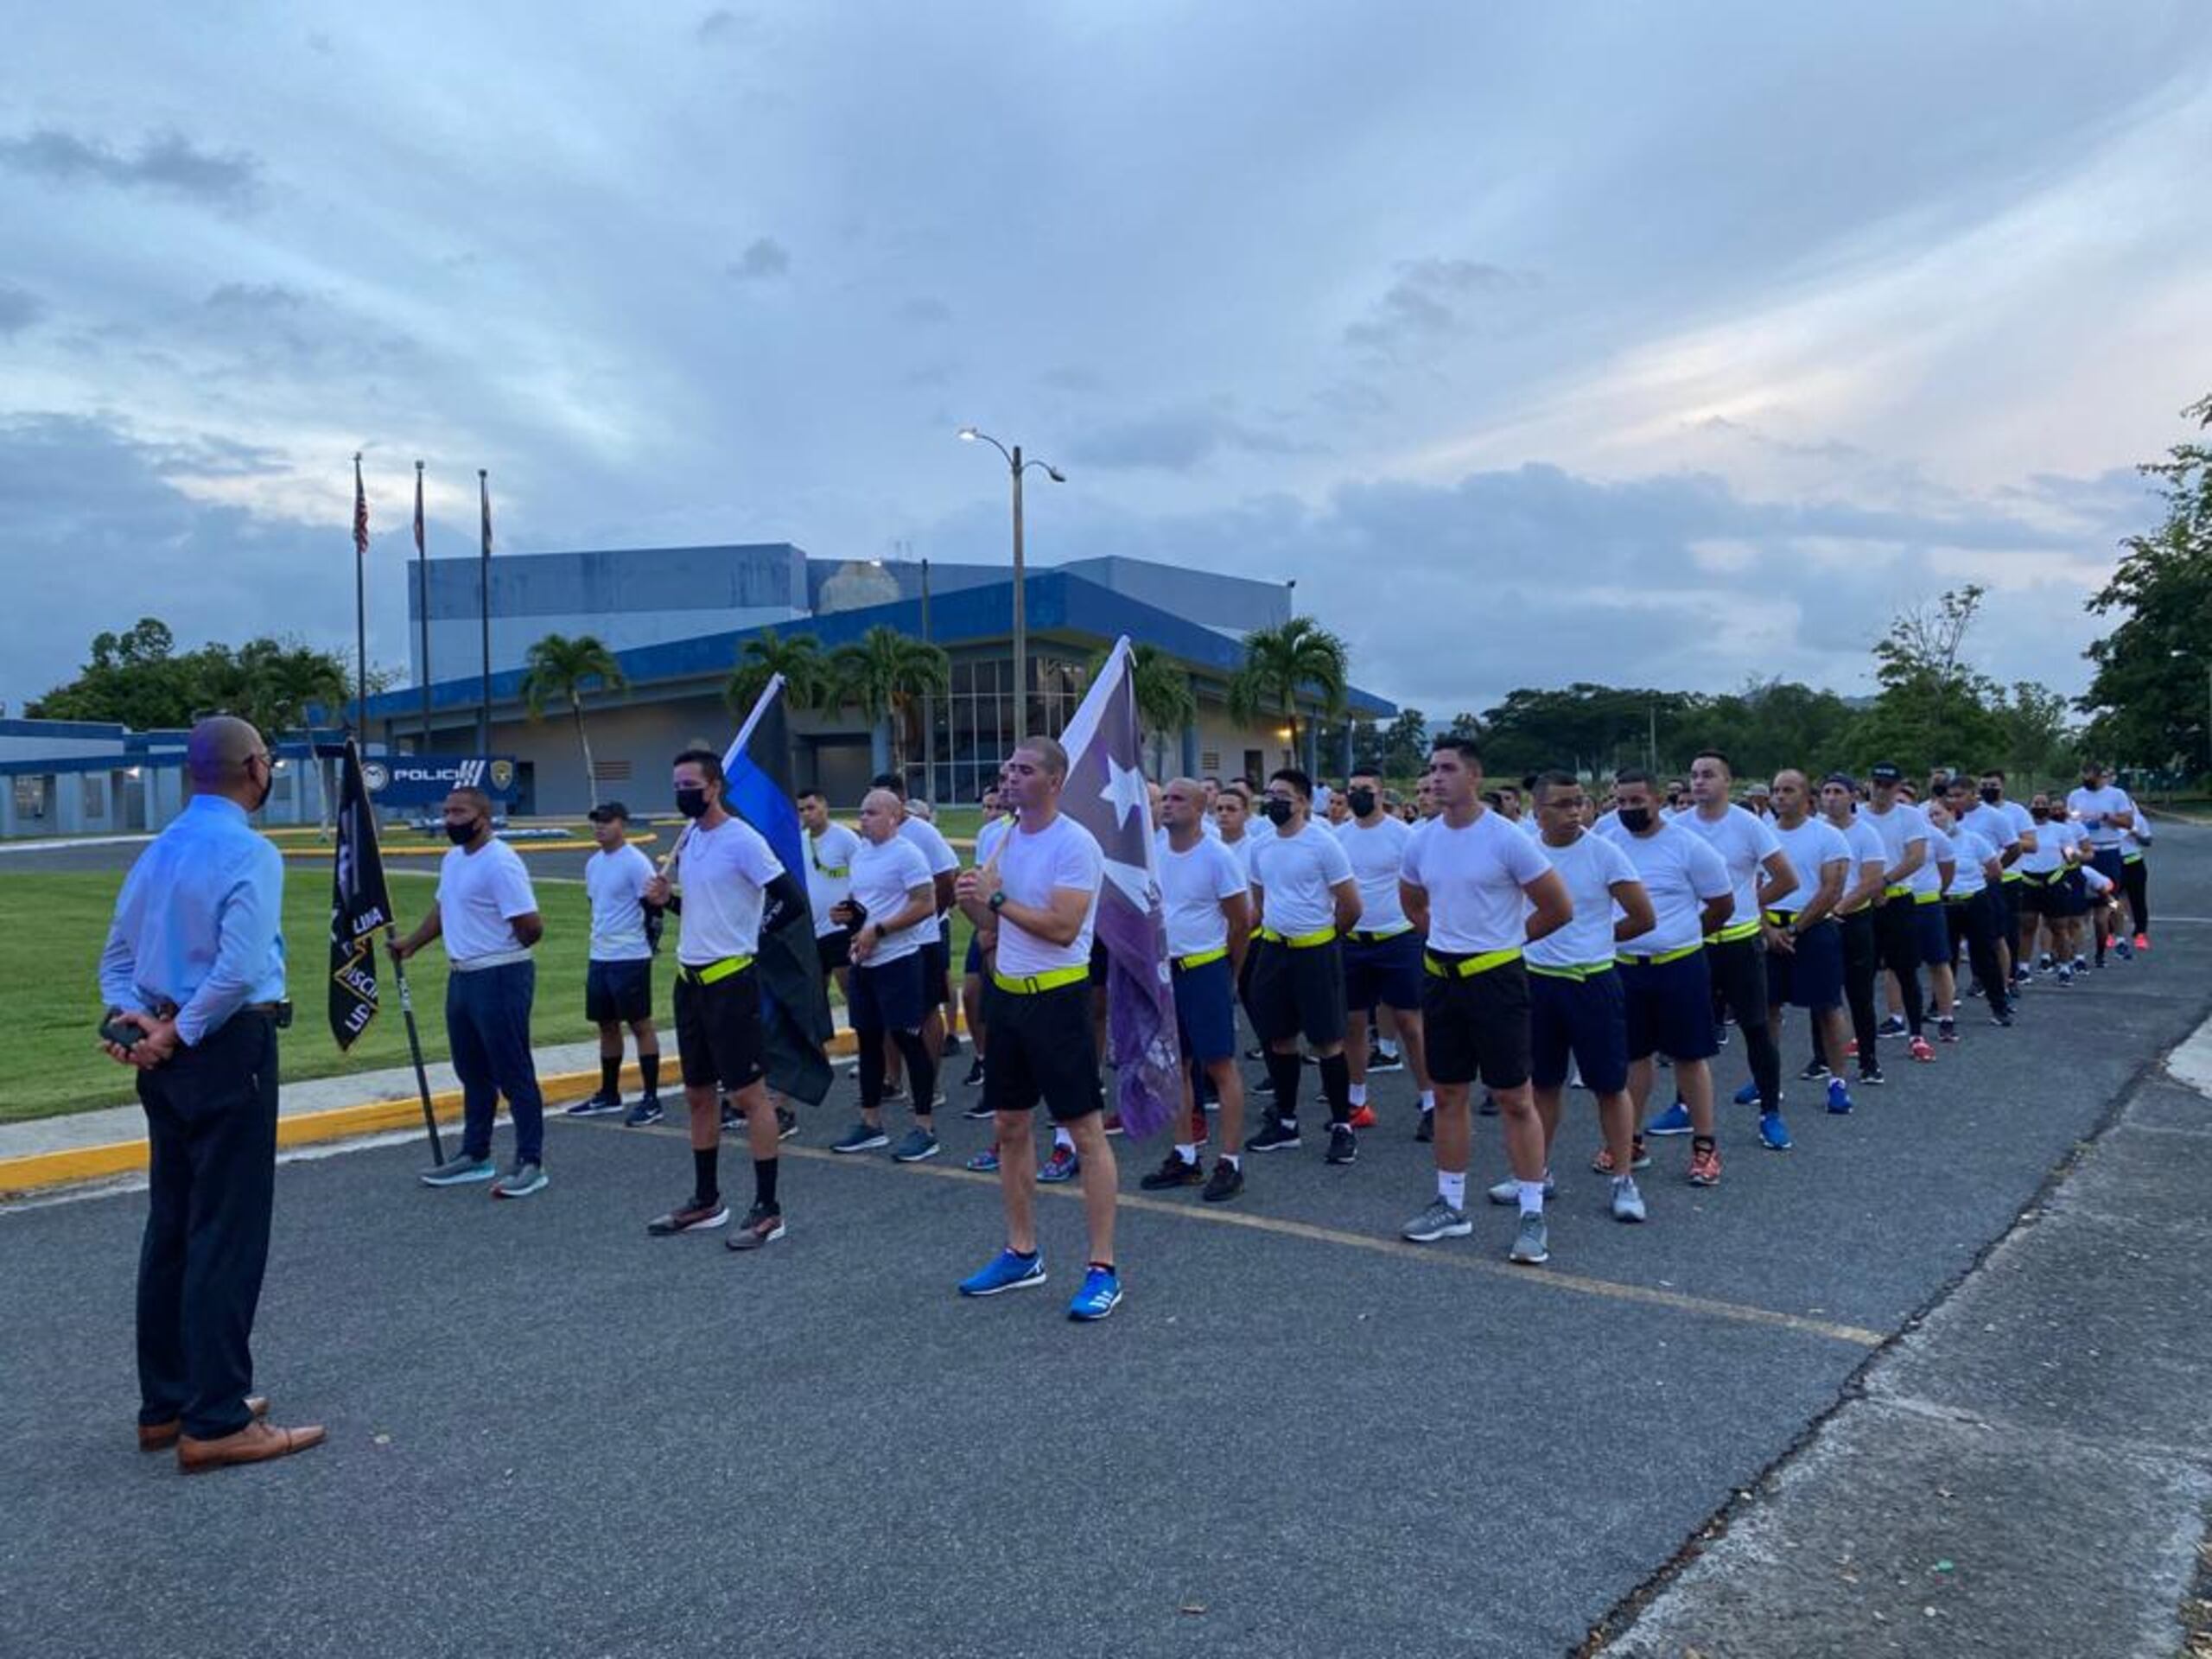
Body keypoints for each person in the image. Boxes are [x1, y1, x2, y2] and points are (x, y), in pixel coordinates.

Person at [97, 715, 323, 1472]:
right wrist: (181, 1031)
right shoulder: (250, 852)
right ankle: (218, 1417)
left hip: (166, 1056)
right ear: (255, 768)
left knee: (173, 1225)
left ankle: (169, 1400)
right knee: (226, 1231)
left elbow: (117, 959)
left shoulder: (157, 852)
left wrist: (140, 1022)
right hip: (225, 1048)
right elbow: (237, 967)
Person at [953, 737, 1123, 1321]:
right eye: (1009, 768)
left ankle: (1103, 1267)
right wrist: (970, 902)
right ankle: (1021, 1251)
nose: (1010, 777)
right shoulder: (998, 836)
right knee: (1009, 1123)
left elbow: (1060, 926)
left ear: (1054, 781)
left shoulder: (1075, 843)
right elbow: (988, 922)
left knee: (1084, 1131)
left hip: (1058, 1000)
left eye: (1024, 770)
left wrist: (994, 898)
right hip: (1009, 999)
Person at [1397, 738, 1572, 1262]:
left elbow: (1557, 907)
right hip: (1441, 978)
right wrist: (1446, 936)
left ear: (1474, 776)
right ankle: (1451, 1206)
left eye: (1447, 769)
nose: (1435, 779)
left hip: (1497, 980)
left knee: (1516, 1097)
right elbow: (1412, 901)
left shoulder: (1506, 839)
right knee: (1447, 1093)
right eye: (1431, 770)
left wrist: (1502, 942)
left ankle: (1532, 1213)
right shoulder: (1421, 840)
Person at [639, 748, 804, 1249]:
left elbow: (790, 900)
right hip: (690, 981)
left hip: (732, 981)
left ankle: (768, 1210)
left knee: (749, 1096)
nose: (682, 792)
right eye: (677, 784)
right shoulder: (690, 839)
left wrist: (754, 933)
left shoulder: (742, 840)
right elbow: (702, 910)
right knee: (696, 1094)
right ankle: (707, 1199)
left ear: (714, 787)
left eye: (690, 784)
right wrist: (665, 901)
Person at [1501, 771, 1653, 1224]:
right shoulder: (1525, 853)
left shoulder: (1604, 853)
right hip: (1537, 981)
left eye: (1580, 802)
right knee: (1542, 1084)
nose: (1574, 813)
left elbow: (1643, 917)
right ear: (1537, 811)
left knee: (1609, 1084)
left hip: (1593, 982)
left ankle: (1623, 1178)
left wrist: (1596, 941)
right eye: (1562, 805)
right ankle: (1536, 1174)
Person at [397, 787, 549, 1197]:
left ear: (482, 816)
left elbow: (531, 926)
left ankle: (530, 1160)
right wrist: (411, 944)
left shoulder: (500, 863)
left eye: (458, 812)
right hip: (462, 976)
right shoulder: (453, 860)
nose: (449, 819)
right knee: (473, 1071)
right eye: (445, 812)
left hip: (500, 974)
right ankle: (475, 1154)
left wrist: (500, 947)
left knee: (512, 1070)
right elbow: (445, 909)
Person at [1595, 770, 1734, 1186]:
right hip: (1624, 965)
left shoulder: (1689, 846)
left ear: (1657, 799)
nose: (1629, 810)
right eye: (1620, 802)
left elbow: (1721, 904)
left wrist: (1684, 935)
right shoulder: (1608, 843)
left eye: (1637, 801)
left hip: (1680, 964)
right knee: (1633, 1058)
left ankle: (1705, 1147)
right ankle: (1630, 1142)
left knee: (1690, 1057)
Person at [1672, 751, 1798, 1150]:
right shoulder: (1677, 827)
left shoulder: (1748, 826)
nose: (1699, 782)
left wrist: (1748, 901)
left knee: (1756, 1028)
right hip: (1695, 943)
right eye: (1694, 775)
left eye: (1708, 775)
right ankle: (1683, 1107)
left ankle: (1770, 1113)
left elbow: (1787, 878)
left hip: (1741, 943)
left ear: (1728, 781)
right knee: (1690, 1032)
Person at [1245, 767, 1364, 1163]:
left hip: (1316, 950)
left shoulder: (1323, 844)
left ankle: (1342, 1125)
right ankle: (1287, 1121)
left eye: (1283, 795)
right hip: (1274, 950)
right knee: (1278, 1038)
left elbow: (1350, 905)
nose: (1274, 801)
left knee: (1328, 1041)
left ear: (1303, 802)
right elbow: (1260, 902)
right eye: (1269, 793)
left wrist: (1327, 938)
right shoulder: (1260, 845)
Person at [1141, 777, 1252, 1200]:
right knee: (1177, 1066)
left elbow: (1241, 921)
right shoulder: (1156, 853)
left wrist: (1230, 971)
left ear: (1201, 806)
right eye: (1164, 799)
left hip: (1204, 970)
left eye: (1177, 799)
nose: (1167, 806)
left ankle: (1230, 1162)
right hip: (1166, 972)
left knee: (1220, 1065)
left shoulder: (1217, 857)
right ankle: (1185, 1155)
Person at [829, 788, 944, 1162]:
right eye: (862, 812)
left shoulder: (908, 854)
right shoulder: (863, 854)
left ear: (895, 818)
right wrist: (848, 916)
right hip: (865, 961)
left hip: (899, 960)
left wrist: (879, 931)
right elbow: (865, 904)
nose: (863, 818)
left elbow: (925, 904)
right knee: (868, 1041)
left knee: (908, 1040)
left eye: (872, 813)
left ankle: (924, 1128)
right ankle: (870, 1123)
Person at [1335, 768, 1433, 1135]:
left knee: (1410, 1024)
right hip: (1353, 939)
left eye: (1367, 790)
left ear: (1382, 795)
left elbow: (1422, 886)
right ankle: (1357, 1101)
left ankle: (1431, 1103)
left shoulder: (1404, 836)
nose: (1359, 795)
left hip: (1398, 938)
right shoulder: (1339, 836)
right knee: (1353, 1023)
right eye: (1353, 789)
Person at [1759, 771, 1856, 1116]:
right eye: (1776, 790)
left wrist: (1796, 929)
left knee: (1827, 1007)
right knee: (1768, 1009)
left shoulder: (1828, 836)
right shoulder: (1763, 835)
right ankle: (1767, 1082)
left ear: (1807, 798)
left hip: (1814, 930)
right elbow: (1750, 887)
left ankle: (1837, 1082)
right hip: (1770, 929)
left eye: (1789, 790)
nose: (1780, 796)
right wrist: (1769, 930)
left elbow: (1832, 889)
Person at [567, 802, 664, 1125]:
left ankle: (651, 1098)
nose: (600, 828)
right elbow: (596, 904)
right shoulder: (593, 863)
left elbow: (653, 908)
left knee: (640, 1024)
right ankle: (609, 1092)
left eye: (607, 822)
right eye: (596, 822)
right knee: (606, 1025)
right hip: (601, 955)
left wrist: (650, 946)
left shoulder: (636, 862)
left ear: (622, 823)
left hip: (630, 955)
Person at [1860, 763, 1938, 1064]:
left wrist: (1884, 882)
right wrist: (1869, 889)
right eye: (1876, 783)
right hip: (1864, 901)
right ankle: (1861, 1036)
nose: (1881, 790)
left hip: (1898, 898)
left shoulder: (1910, 816)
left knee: (1905, 970)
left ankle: (1916, 1034)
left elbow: (1916, 857)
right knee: (1862, 973)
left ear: (1897, 788)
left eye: (1887, 785)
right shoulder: (1858, 815)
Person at [1815, 773, 1890, 1089]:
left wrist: (1840, 907)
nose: (1831, 798)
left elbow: (1872, 880)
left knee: (1859, 994)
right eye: (1826, 792)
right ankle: (1820, 1058)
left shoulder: (1866, 833)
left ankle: (1869, 1060)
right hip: (1818, 919)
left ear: (1853, 797)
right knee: (1820, 995)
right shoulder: (1814, 830)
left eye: (1838, 792)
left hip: (1854, 919)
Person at [1927, 798, 2012, 1027]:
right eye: (1931, 816)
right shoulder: (1928, 843)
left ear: (1953, 813)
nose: (1934, 820)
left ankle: (1999, 1006)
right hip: (1945, 904)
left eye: (1939, 814)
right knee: (1945, 957)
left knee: (1985, 955)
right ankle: (1939, 1005)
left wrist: (1975, 883)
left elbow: (1996, 869)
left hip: (1975, 901)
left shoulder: (1973, 840)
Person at [2066, 762, 2138, 959]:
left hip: (2108, 850)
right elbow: (2066, 820)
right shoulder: (2075, 796)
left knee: (2111, 898)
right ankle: (2077, 944)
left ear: (2099, 777)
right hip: (2085, 851)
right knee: (2081, 899)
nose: (2086, 782)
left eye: (2090, 778)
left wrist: (2107, 817)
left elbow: (2129, 822)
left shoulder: (2116, 795)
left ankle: (2120, 938)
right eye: (2084, 778)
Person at [798, 788, 861, 1007]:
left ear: (825, 807)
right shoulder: (800, 841)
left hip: (840, 929)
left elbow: (862, 876)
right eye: (802, 810)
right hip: (812, 931)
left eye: (811, 807)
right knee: (815, 995)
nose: (807, 813)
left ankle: (868, 1036)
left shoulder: (845, 838)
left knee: (850, 989)